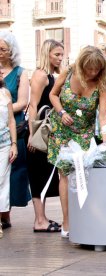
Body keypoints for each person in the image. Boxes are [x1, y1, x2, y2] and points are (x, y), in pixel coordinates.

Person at [48, 46, 106, 238]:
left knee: (85, 175)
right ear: (82, 65)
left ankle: (86, 217)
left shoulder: (102, 83)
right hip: (62, 131)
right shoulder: (68, 72)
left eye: (96, 69)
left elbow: (103, 117)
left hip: (84, 133)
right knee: (65, 175)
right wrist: (61, 112)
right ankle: (67, 221)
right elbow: (53, 95)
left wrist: (105, 142)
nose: (92, 73)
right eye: (89, 69)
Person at [27, 39, 63, 233]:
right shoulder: (40, 75)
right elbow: (33, 105)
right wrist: (32, 134)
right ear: (47, 53)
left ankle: (42, 217)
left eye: (61, 55)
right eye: (57, 54)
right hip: (38, 131)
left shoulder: (51, 75)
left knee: (44, 173)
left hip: (46, 131)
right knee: (37, 174)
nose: (60, 58)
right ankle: (39, 220)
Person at [0, 31, 30, 229]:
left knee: (12, 173)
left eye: (2, 49)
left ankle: (5, 213)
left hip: (13, 126)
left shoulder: (20, 72)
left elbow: (23, 102)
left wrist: (5, 105)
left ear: (11, 51)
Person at [0, 65, 18, 238]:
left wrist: (14, 144)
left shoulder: (5, 93)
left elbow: (12, 121)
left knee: (2, 181)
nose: (1, 73)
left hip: (4, 143)